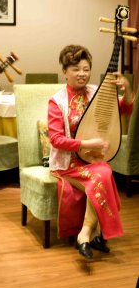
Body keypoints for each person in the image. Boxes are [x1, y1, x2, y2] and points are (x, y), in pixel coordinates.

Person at [48, 44, 134, 259]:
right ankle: (93, 234)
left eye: (86, 69)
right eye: (76, 69)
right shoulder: (57, 101)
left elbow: (125, 108)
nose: (82, 74)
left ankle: (85, 235)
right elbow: (56, 139)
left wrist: (128, 88)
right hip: (68, 165)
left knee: (102, 171)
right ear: (65, 72)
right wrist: (88, 144)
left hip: (93, 162)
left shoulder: (96, 92)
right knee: (104, 173)